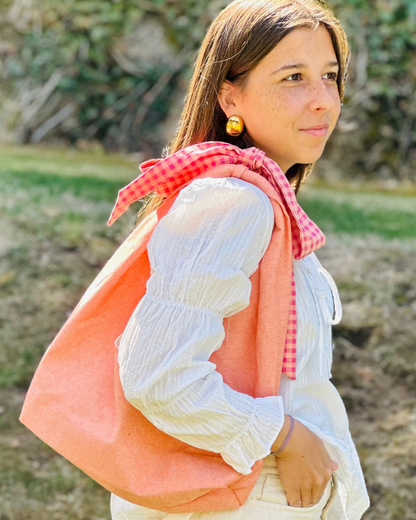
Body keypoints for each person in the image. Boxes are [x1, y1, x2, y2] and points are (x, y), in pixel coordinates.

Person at [110, 0, 371, 519]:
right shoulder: (235, 202)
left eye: (330, 76)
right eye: (293, 77)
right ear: (230, 95)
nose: (322, 100)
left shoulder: (256, 200)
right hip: (238, 496)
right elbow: (157, 373)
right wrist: (286, 435)